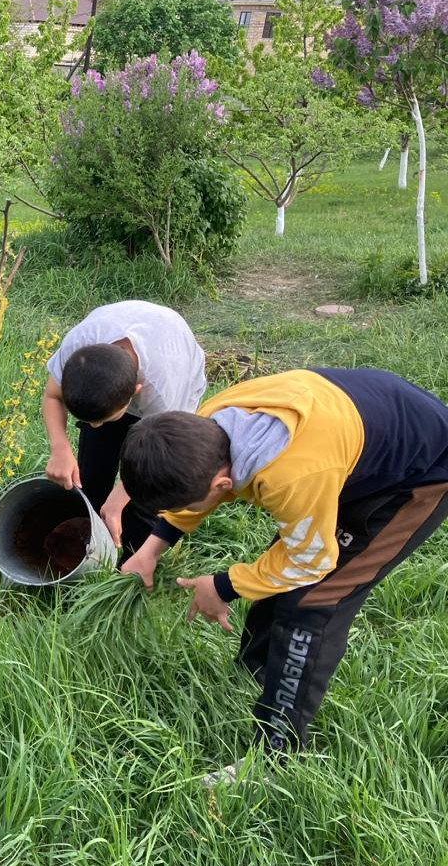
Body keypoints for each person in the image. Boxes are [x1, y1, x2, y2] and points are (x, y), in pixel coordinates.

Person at [119, 368, 448, 773]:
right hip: (348, 444)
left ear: (222, 484)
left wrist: (223, 586)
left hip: (415, 473)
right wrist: (152, 549)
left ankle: (275, 756)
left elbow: (310, 560)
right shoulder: (205, 426)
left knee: (313, 601)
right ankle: (254, 674)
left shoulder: (290, 476)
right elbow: (207, 499)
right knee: (279, 575)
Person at [42, 300, 206, 554]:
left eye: (102, 419)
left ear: (135, 392)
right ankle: (90, 547)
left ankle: (133, 562)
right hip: (118, 358)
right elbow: (52, 395)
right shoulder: (78, 348)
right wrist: (60, 448)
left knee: (141, 499)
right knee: (92, 476)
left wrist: (120, 498)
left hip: (172, 375)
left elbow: (160, 458)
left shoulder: (163, 393)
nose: (94, 426)